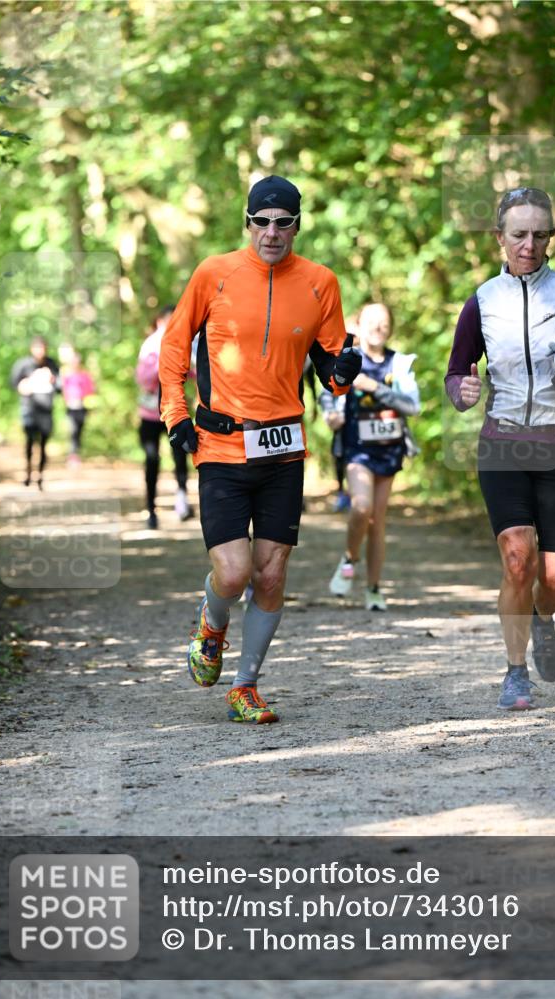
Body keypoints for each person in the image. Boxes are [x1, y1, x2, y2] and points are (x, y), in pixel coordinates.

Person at [159, 174, 361, 724]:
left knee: (271, 575)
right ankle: (211, 623)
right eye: (262, 222)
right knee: (233, 572)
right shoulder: (214, 273)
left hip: (283, 451)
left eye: (284, 222)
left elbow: (330, 372)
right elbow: (175, 347)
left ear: (298, 225)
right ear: (247, 223)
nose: (272, 232)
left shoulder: (321, 282)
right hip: (222, 446)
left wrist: (344, 372)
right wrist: (175, 413)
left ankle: (245, 685)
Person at [445, 187, 555, 711]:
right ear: (499, 238)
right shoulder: (482, 301)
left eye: (540, 235)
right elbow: (457, 371)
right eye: (518, 234)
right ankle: (514, 672)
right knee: (518, 559)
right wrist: (462, 391)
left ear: (550, 239)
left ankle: (543, 618)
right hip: (504, 444)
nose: (529, 244)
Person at [328, 302, 420, 611]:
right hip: (357, 449)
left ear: (391, 326)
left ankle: (373, 590)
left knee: (377, 522)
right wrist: (331, 415)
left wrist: (376, 389)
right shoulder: (349, 360)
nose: (378, 326)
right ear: (359, 324)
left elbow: (412, 406)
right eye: (372, 321)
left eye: (384, 322)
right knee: (361, 507)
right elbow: (329, 392)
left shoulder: (399, 363)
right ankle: (349, 557)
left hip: (390, 449)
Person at [136, 306, 194, 529]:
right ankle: (151, 509)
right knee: (152, 460)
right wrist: (165, 362)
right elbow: (142, 378)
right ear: (160, 321)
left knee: (181, 457)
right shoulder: (151, 344)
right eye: (170, 319)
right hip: (151, 414)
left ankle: (182, 501)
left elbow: (194, 371)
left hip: (176, 412)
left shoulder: (184, 341)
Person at [319, 312, 360, 512]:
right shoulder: (335, 354)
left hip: (362, 424)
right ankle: (342, 491)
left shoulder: (373, 361)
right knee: (339, 454)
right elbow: (326, 388)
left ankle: (356, 494)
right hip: (342, 423)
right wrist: (330, 413)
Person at [10, 337, 60, 489]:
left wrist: (52, 380)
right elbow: (13, 383)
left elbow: (60, 386)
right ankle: (28, 473)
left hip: (46, 410)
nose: (40, 351)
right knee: (30, 442)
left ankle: (40, 477)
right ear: (32, 349)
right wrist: (23, 386)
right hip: (29, 409)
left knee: (44, 445)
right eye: (37, 348)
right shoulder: (23, 364)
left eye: (43, 348)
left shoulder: (52, 364)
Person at [59, 344, 96, 466]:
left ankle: (76, 453)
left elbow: (90, 389)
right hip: (71, 407)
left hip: (82, 406)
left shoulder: (84, 374)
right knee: (73, 430)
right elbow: (63, 389)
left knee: (79, 430)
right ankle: (73, 455)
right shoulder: (67, 374)